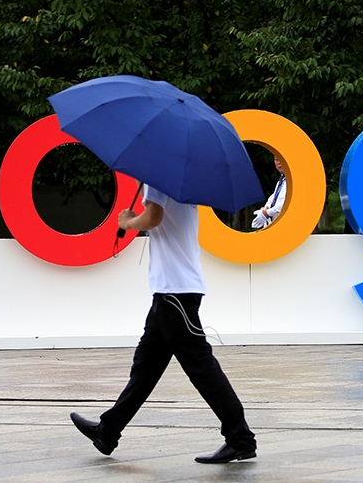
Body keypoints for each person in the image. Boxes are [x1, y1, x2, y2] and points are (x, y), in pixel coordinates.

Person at [70, 183, 257, 464]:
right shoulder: (183, 184)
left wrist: (128, 221)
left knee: (201, 367)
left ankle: (241, 438)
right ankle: (108, 431)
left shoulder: (157, 181)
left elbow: (153, 217)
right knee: (145, 368)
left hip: (175, 294)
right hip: (170, 292)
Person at [252, 155, 286, 229]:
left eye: (282, 159)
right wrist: (266, 207)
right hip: (277, 224)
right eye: (276, 159)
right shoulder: (282, 180)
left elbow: (286, 202)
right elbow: (274, 197)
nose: (279, 162)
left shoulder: (294, 180)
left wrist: (267, 213)